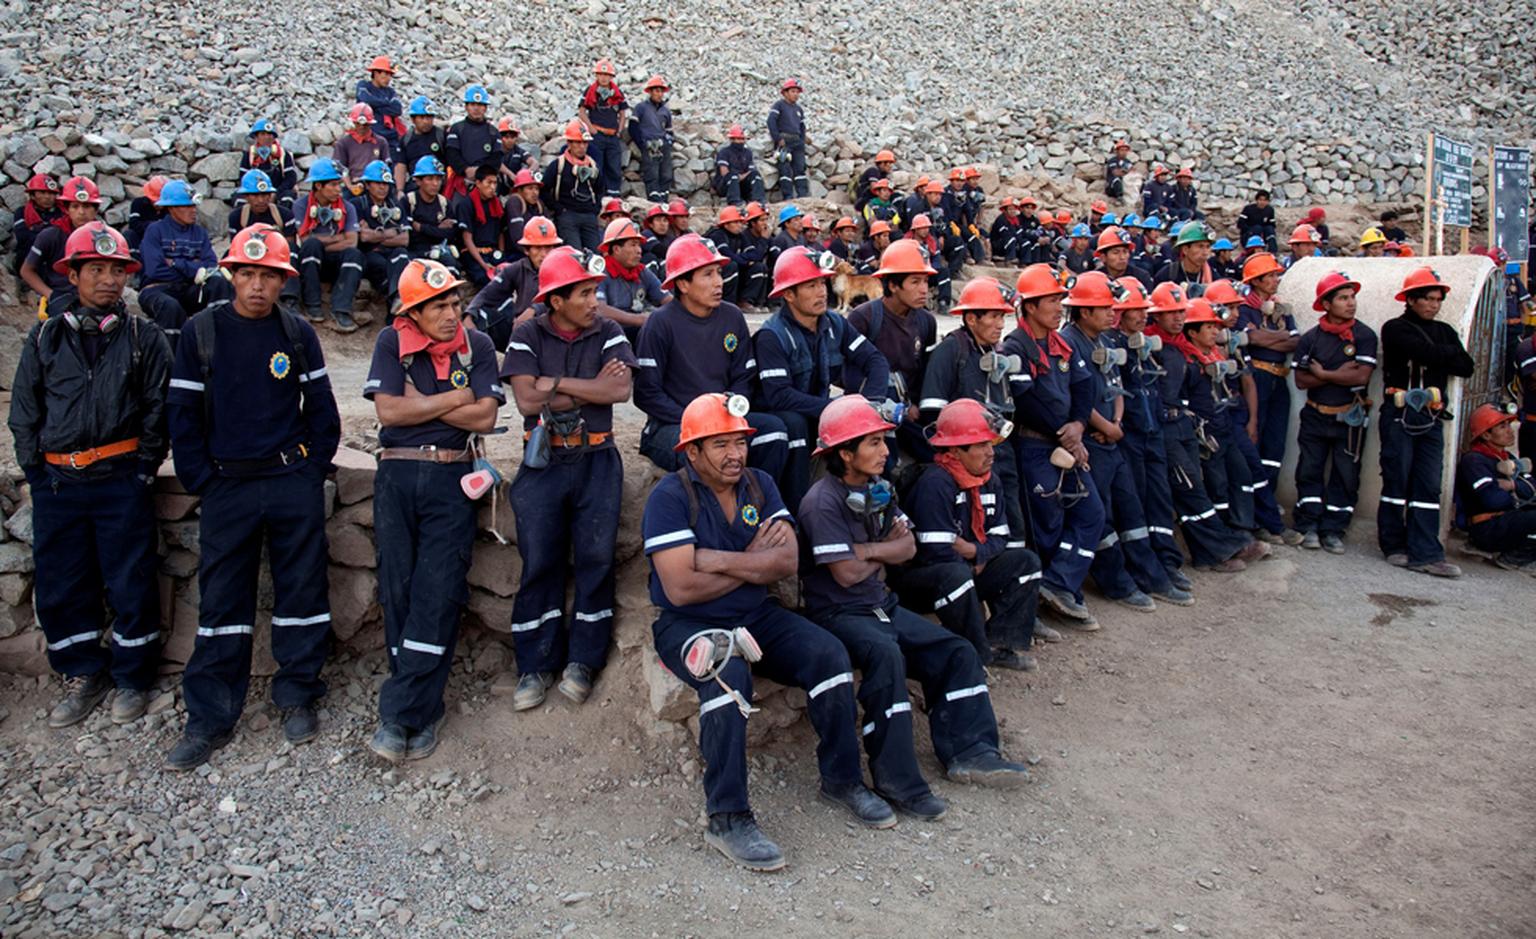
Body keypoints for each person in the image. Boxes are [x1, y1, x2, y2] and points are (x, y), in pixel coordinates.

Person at [642, 392, 895, 871]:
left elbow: (786, 562)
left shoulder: (759, 484)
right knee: (727, 677)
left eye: (740, 442)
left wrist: (715, 559)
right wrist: (753, 561)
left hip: (756, 616)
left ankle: (842, 780)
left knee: (829, 655)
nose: (736, 454)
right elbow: (680, 587)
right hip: (689, 624)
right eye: (720, 444)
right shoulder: (670, 497)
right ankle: (728, 817)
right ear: (692, 452)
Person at [799, 395, 1029, 819]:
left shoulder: (878, 489)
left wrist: (867, 550)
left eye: (885, 442)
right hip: (840, 614)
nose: (886, 451)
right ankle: (897, 781)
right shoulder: (822, 501)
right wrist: (879, 552)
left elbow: (907, 548)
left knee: (956, 651)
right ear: (844, 453)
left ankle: (971, 751)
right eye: (873, 444)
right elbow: (846, 575)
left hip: (881, 604)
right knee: (886, 659)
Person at [164, 224, 341, 770]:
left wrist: (309, 472)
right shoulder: (201, 332)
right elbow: (183, 415)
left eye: (269, 276)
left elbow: (323, 410)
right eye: (248, 274)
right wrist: (203, 479)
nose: (258, 286)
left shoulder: (296, 333)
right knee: (222, 603)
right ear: (232, 275)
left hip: (290, 480)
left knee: (303, 593)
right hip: (229, 485)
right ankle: (210, 717)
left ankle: (297, 693)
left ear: (283, 280)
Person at [8, 222, 171, 729]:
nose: (107, 280)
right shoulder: (44, 337)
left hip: (120, 477)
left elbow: (157, 410)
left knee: (130, 577)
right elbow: (25, 410)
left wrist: (142, 469)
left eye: (116, 270)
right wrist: (37, 472)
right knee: (63, 580)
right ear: (72, 275)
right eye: (95, 269)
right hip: (58, 482)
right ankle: (82, 671)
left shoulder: (145, 338)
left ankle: (132, 675)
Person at [364, 259, 500, 762]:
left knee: (438, 589)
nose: (451, 313)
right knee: (397, 586)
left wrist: (426, 399)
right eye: (438, 306)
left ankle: (400, 713)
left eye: (454, 302)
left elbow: (485, 417)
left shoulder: (478, 345)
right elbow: (388, 412)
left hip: (451, 476)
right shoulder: (390, 342)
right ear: (413, 313)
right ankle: (422, 706)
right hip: (397, 474)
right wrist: (455, 396)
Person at [499, 247, 636, 709]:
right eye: (583, 293)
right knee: (540, 559)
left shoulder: (611, 331)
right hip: (543, 465)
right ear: (555, 300)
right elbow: (523, 402)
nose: (594, 301)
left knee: (597, 558)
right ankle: (534, 665)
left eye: (594, 291)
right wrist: (584, 387)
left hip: (598, 461)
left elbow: (618, 389)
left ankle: (584, 661)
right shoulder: (527, 334)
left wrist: (551, 384)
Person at [1060, 272, 1190, 607]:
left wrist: (1116, 423)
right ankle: (1117, 584)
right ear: (1084, 312)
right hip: (1092, 442)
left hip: (1112, 439)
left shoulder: (1105, 342)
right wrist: (1105, 425)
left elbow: (1116, 385)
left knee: (1132, 512)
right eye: (1103, 307)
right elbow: (1078, 396)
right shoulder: (1071, 341)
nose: (1110, 312)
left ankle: (1151, 577)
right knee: (1101, 517)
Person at [895, 398, 1044, 667]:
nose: (991, 453)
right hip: (926, 582)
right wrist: (974, 561)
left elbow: (1000, 537)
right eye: (981, 445)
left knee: (1026, 563)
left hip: (969, 566)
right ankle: (976, 654)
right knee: (956, 574)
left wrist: (975, 552)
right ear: (955, 450)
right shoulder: (935, 483)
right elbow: (934, 553)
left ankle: (999, 643)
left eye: (991, 444)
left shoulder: (989, 480)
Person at [1001, 264, 1106, 628]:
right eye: (1051, 300)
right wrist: (1067, 432)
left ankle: (1059, 584)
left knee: (1092, 513)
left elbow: (1084, 386)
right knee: (1046, 524)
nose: (1059, 307)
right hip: (1036, 448)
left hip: (1066, 443)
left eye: (1060, 299)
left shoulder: (1060, 344)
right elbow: (1026, 402)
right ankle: (1051, 595)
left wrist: (1078, 425)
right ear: (1029, 306)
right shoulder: (1016, 346)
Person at [634, 235, 788, 479]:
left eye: (718, 272)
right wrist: (698, 421)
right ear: (683, 284)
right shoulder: (659, 324)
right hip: (672, 425)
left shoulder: (732, 317)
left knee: (775, 432)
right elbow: (647, 394)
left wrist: (728, 411)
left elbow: (743, 377)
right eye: (708, 275)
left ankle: (760, 506)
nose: (719, 282)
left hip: (725, 420)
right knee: (708, 453)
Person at [754, 246, 890, 510]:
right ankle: (794, 509)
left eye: (822, 283)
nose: (822, 292)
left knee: (877, 422)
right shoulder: (773, 335)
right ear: (789, 294)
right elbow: (779, 396)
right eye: (810, 286)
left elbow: (875, 361)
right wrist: (837, 409)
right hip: (784, 413)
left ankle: (876, 506)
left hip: (818, 408)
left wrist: (871, 404)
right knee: (794, 425)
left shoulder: (834, 323)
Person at [1145, 282, 1267, 572]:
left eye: (1179, 312)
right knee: (1189, 489)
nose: (1177, 317)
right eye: (1169, 313)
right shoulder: (1154, 347)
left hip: (1184, 426)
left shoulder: (1183, 351)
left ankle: (1209, 552)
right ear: (1156, 317)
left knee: (1194, 488)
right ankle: (1219, 549)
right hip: (1163, 429)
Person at [1376, 266, 1473, 576]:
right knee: (1397, 478)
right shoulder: (1394, 328)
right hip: (1400, 414)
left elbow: (1466, 366)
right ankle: (1393, 545)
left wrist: (1437, 353)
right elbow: (1432, 354)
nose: (1434, 305)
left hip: (1430, 417)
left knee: (1428, 484)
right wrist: (1444, 353)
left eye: (1437, 299)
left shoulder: (1443, 330)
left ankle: (1426, 552)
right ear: (1412, 300)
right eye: (1428, 299)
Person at [921, 276, 1031, 547]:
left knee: (1012, 521)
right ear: (971, 319)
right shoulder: (950, 351)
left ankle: (1016, 571)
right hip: (966, 460)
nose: (1000, 324)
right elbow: (931, 412)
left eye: (1002, 317)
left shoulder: (997, 351)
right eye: (993, 317)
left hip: (1000, 452)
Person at [1109, 277, 1193, 590]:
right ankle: (1142, 568)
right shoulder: (1113, 346)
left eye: (1144, 309)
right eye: (1134, 309)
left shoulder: (1147, 345)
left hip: (1152, 431)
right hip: (1128, 436)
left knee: (1159, 498)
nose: (1142, 315)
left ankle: (1166, 561)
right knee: (1135, 502)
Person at [1293, 271, 1377, 553]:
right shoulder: (1310, 339)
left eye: (1352, 297)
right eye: (1343, 298)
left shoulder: (1365, 336)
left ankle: (1334, 529)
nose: (1351, 303)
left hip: (1349, 418)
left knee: (1346, 474)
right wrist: (1338, 374)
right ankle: (1308, 525)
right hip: (1315, 415)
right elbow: (1302, 381)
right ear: (1326, 304)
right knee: (1309, 469)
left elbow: (1361, 377)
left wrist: (1324, 373)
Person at [848, 240, 938, 461]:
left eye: (925, 281)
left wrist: (915, 405)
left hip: (911, 412)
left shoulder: (927, 322)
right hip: (871, 411)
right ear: (893, 285)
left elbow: (926, 370)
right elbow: (848, 375)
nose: (924, 289)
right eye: (915, 282)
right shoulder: (864, 318)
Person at [1173, 298, 1258, 536]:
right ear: (1192, 332)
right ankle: (1223, 533)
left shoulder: (1216, 358)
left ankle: (1243, 528)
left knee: (1242, 475)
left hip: (1224, 425)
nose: (1216, 331)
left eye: (1216, 326)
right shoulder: (1187, 363)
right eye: (1209, 327)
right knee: (1216, 484)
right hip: (1205, 432)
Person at [137, 180, 235, 341]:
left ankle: (222, 340)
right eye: (186, 206)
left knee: (220, 284)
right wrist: (195, 268)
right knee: (171, 307)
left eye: (193, 206)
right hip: (157, 289)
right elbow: (155, 270)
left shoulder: (199, 233)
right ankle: (170, 359)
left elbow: (210, 265)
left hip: (190, 289)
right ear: (171, 208)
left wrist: (176, 263)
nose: (193, 210)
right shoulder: (155, 230)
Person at [1455, 404, 1536, 571]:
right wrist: (1518, 498)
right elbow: (1492, 500)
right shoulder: (1474, 461)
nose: (1509, 430)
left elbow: (1533, 488)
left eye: (1508, 425)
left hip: (1509, 520)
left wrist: (1511, 485)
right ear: (1486, 434)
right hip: (1487, 528)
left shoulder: (1508, 457)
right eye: (1502, 426)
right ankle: (1514, 558)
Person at [464, 215, 561, 348]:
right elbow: (488, 293)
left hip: (554, 330)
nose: (544, 254)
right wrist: (469, 315)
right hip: (523, 329)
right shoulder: (518, 268)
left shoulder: (562, 269)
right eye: (538, 248)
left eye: (548, 247)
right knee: (483, 317)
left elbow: (566, 301)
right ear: (527, 250)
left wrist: (535, 309)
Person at [292, 159, 364, 333]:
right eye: (333, 185)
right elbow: (304, 239)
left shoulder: (348, 207)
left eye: (339, 184)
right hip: (311, 259)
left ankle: (341, 310)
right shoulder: (300, 205)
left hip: (334, 260)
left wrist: (321, 241)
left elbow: (352, 241)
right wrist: (336, 238)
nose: (339, 189)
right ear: (318, 185)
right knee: (311, 246)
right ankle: (312, 304)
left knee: (354, 254)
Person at [20, 176, 102, 306]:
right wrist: (50, 295)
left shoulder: (105, 238)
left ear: (96, 209)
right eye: (75, 206)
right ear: (66, 209)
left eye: (87, 206)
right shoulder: (50, 235)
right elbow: (27, 270)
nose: (81, 212)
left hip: (98, 296)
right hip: (63, 297)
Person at [352, 160, 410, 315]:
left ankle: (397, 300)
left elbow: (405, 239)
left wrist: (375, 234)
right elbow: (363, 237)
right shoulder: (358, 204)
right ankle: (397, 301)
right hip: (370, 254)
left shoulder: (395, 205)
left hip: (392, 252)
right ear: (368, 184)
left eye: (385, 184)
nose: (382, 187)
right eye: (378, 183)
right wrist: (390, 233)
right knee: (381, 265)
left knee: (402, 255)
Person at [596, 217, 666, 343]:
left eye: (639, 245)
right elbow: (598, 309)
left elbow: (666, 298)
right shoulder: (601, 273)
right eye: (633, 245)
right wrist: (639, 319)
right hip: (611, 337)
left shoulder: (641, 271)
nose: (639, 250)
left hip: (639, 332)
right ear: (616, 249)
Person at [541, 120, 603, 251]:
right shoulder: (558, 165)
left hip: (589, 216)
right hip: (568, 216)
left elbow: (600, 188)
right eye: (578, 142)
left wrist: (595, 209)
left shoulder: (593, 166)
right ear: (569, 143)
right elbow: (544, 190)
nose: (582, 147)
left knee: (596, 256)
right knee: (574, 255)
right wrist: (559, 209)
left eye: (585, 143)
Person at [578, 58, 628, 200]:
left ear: (611, 77)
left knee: (614, 167)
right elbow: (582, 112)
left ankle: (614, 196)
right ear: (597, 75)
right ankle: (598, 195)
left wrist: (620, 129)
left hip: (612, 135)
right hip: (597, 135)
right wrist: (591, 129)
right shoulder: (590, 91)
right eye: (601, 74)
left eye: (607, 75)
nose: (604, 78)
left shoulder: (617, 92)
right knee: (597, 166)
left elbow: (623, 112)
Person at [451, 164, 508, 289]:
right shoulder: (466, 205)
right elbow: (467, 238)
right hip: (473, 254)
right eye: (489, 183)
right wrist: (483, 264)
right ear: (478, 183)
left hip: (493, 252)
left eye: (495, 183)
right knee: (487, 281)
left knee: (509, 276)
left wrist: (501, 254)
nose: (493, 187)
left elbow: (500, 232)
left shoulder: (496, 204)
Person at [445, 85, 498, 200]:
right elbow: (452, 154)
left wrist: (481, 173)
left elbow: (497, 157)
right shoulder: (457, 129)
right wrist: (465, 169)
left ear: (485, 108)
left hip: (486, 183)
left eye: (480, 105)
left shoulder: (493, 132)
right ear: (466, 107)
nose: (476, 108)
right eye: (472, 104)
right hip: (461, 181)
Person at [630, 75, 675, 203]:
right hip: (649, 143)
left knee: (666, 173)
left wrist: (668, 142)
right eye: (656, 90)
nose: (659, 94)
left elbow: (669, 131)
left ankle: (664, 198)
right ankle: (654, 199)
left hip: (662, 144)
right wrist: (642, 144)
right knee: (652, 172)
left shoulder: (665, 111)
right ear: (650, 91)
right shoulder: (641, 107)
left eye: (661, 91)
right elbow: (633, 127)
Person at [402, 156, 457, 261]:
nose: (435, 184)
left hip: (439, 251)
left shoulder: (445, 203)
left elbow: (450, 234)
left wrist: (421, 227)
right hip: (413, 253)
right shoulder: (408, 201)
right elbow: (409, 235)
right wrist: (437, 229)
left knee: (452, 266)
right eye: (430, 179)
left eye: (438, 179)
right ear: (418, 181)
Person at [239, 120, 298, 211]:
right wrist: (255, 194)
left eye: (270, 134)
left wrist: (275, 193)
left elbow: (290, 178)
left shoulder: (283, 154)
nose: (267, 137)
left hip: (278, 191)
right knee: (239, 200)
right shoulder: (249, 155)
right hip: (254, 192)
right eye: (263, 134)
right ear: (256, 137)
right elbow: (243, 177)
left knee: (288, 197)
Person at [355, 55, 405, 162]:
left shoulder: (390, 92)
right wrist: (386, 104)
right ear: (376, 73)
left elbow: (397, 109)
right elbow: (365, 100)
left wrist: (375, 106)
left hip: (390, 139)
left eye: (390, 75)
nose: (388, 78)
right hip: (370, 137)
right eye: (385, 74)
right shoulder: (364, 86)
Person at [333, 104, 393, 190]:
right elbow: (341, 168)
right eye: (358, 124)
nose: (362, 127)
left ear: (370, 124)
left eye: (365, 124)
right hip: (353, 184)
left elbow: (386, 165)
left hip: (376, 184)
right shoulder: (343, 143)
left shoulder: (381, 142)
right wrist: (350, 186)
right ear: (353, 122)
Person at [395, 97, 448, 193]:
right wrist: (400, 190)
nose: (426, 121)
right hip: (415, 186)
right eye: (422, 117)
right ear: (413, 119)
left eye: (429, 117)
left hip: (438, 186)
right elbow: (401, 166)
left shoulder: (440, 136)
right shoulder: (406, 139)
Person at [11, 174, 61, 275]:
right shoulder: (22, 212)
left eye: (51, 193)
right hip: (29, 256)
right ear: (32, 195)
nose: (47, 197)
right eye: (42, 192)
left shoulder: (62, 213)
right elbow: (23, 237)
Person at [768, 78, 809, 199]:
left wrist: (802, 140)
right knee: (784, 168)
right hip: (784, 140)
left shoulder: (798, 109)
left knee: (800, 168)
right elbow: (771, 121)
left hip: (797, 141)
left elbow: (802, 126)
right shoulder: (779, 105)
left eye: (797, 92)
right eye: (793, 91)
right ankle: (788, 196)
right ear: (785, 93)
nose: (796, 94)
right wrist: (777, 138)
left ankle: (803, 195)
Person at [712, 125, 766, 206]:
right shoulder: (724, 152)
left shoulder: (747, 153)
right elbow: (724, 173)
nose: (741, 142)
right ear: (732, 139)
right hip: (726, 185)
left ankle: (759, 201)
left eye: (742, 139)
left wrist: (741, 177)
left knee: (755, 175)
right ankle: (734, 202)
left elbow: (750, 171)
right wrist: (737, 177)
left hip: (741, 185)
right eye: (738, 139)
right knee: (732, 176)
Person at [1156, 221, 1214, 290]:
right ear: (1185, 250)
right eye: (1200, 246)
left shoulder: (1213, 276)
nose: (1205, 253)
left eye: (1208, 247)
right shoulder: (1167, 276)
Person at [494, 118, 536, 197]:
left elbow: (533, 162)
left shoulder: (518, 151)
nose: (510, 140)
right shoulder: (495, 150)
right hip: (496, 189)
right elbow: (496, 162)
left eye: (512, 137)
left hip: (513, 190)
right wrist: (510, 174)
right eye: (506, 137)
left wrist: (528, 172)